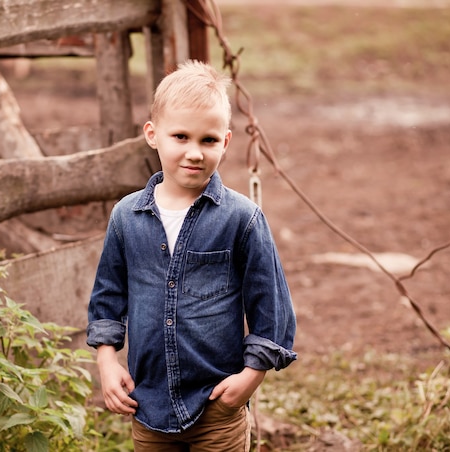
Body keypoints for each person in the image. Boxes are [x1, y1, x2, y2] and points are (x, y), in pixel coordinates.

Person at [87, 60, 297, 451]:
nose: (194, 152)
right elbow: (107, 298)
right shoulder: (126, 217)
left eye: (208, 140)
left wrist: (251, 378)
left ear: (227, 141)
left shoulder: (242, 219)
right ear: (153, 134)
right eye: (180, 136)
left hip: (218, 407)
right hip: (148, 406)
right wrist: (106, 361)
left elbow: (272, 307)